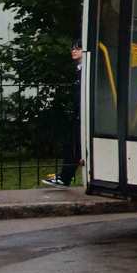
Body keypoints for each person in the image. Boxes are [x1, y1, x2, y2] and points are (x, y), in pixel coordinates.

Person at [44, 42, 82, 187]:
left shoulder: (86, 69)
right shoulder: (79, 70)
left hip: (83, 115)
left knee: (72, 146)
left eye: (77, 48)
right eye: (72, 49)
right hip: (80, 114)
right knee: (72, 146)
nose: (73, 51)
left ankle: (64, 178)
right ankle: (64, 178)